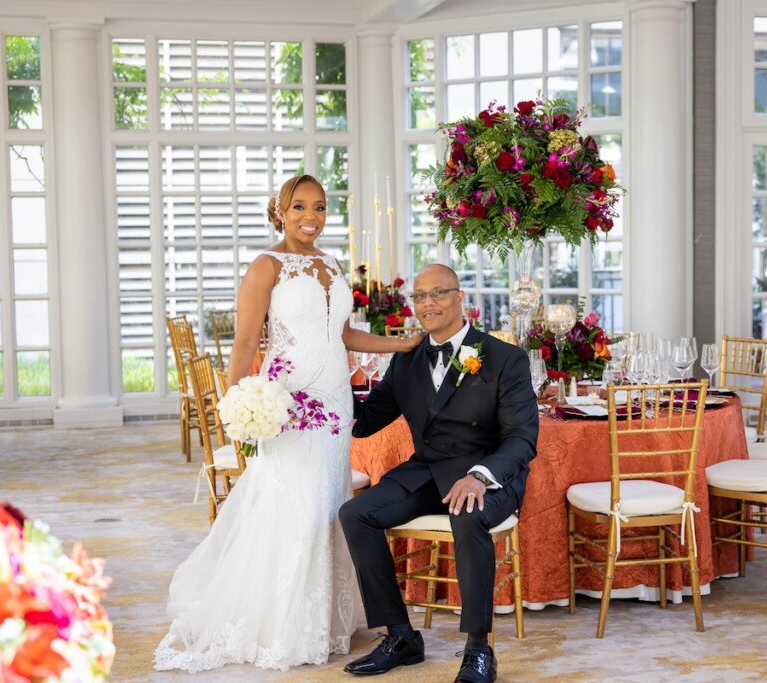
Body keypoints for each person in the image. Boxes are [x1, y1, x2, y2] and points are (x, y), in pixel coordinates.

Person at [154, 175, 422, 673]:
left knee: (329, 502)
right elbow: (244, 344)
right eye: (299, 206)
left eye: (319, 208)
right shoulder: (265, 266)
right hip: (289, 405)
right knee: (293, 505)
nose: (311, 217)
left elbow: (341, 335)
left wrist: (400, 345)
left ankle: (327, 617)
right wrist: (239, 408)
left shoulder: (332, 264)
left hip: (336, 405)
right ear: (279, 210)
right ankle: (282, 622)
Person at [339, 264, 539, 683]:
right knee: (356, 514)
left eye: (438, 293)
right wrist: (324, 385)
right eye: (420, 297)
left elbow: (522, 440)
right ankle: (400, 636)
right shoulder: (408, 360)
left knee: (467, 513)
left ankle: (478, 650)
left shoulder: (505, 358)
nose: (428, 304)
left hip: (487, 474)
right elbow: (366, 420)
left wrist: (481, 476)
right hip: (427, 472)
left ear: (460, 296)